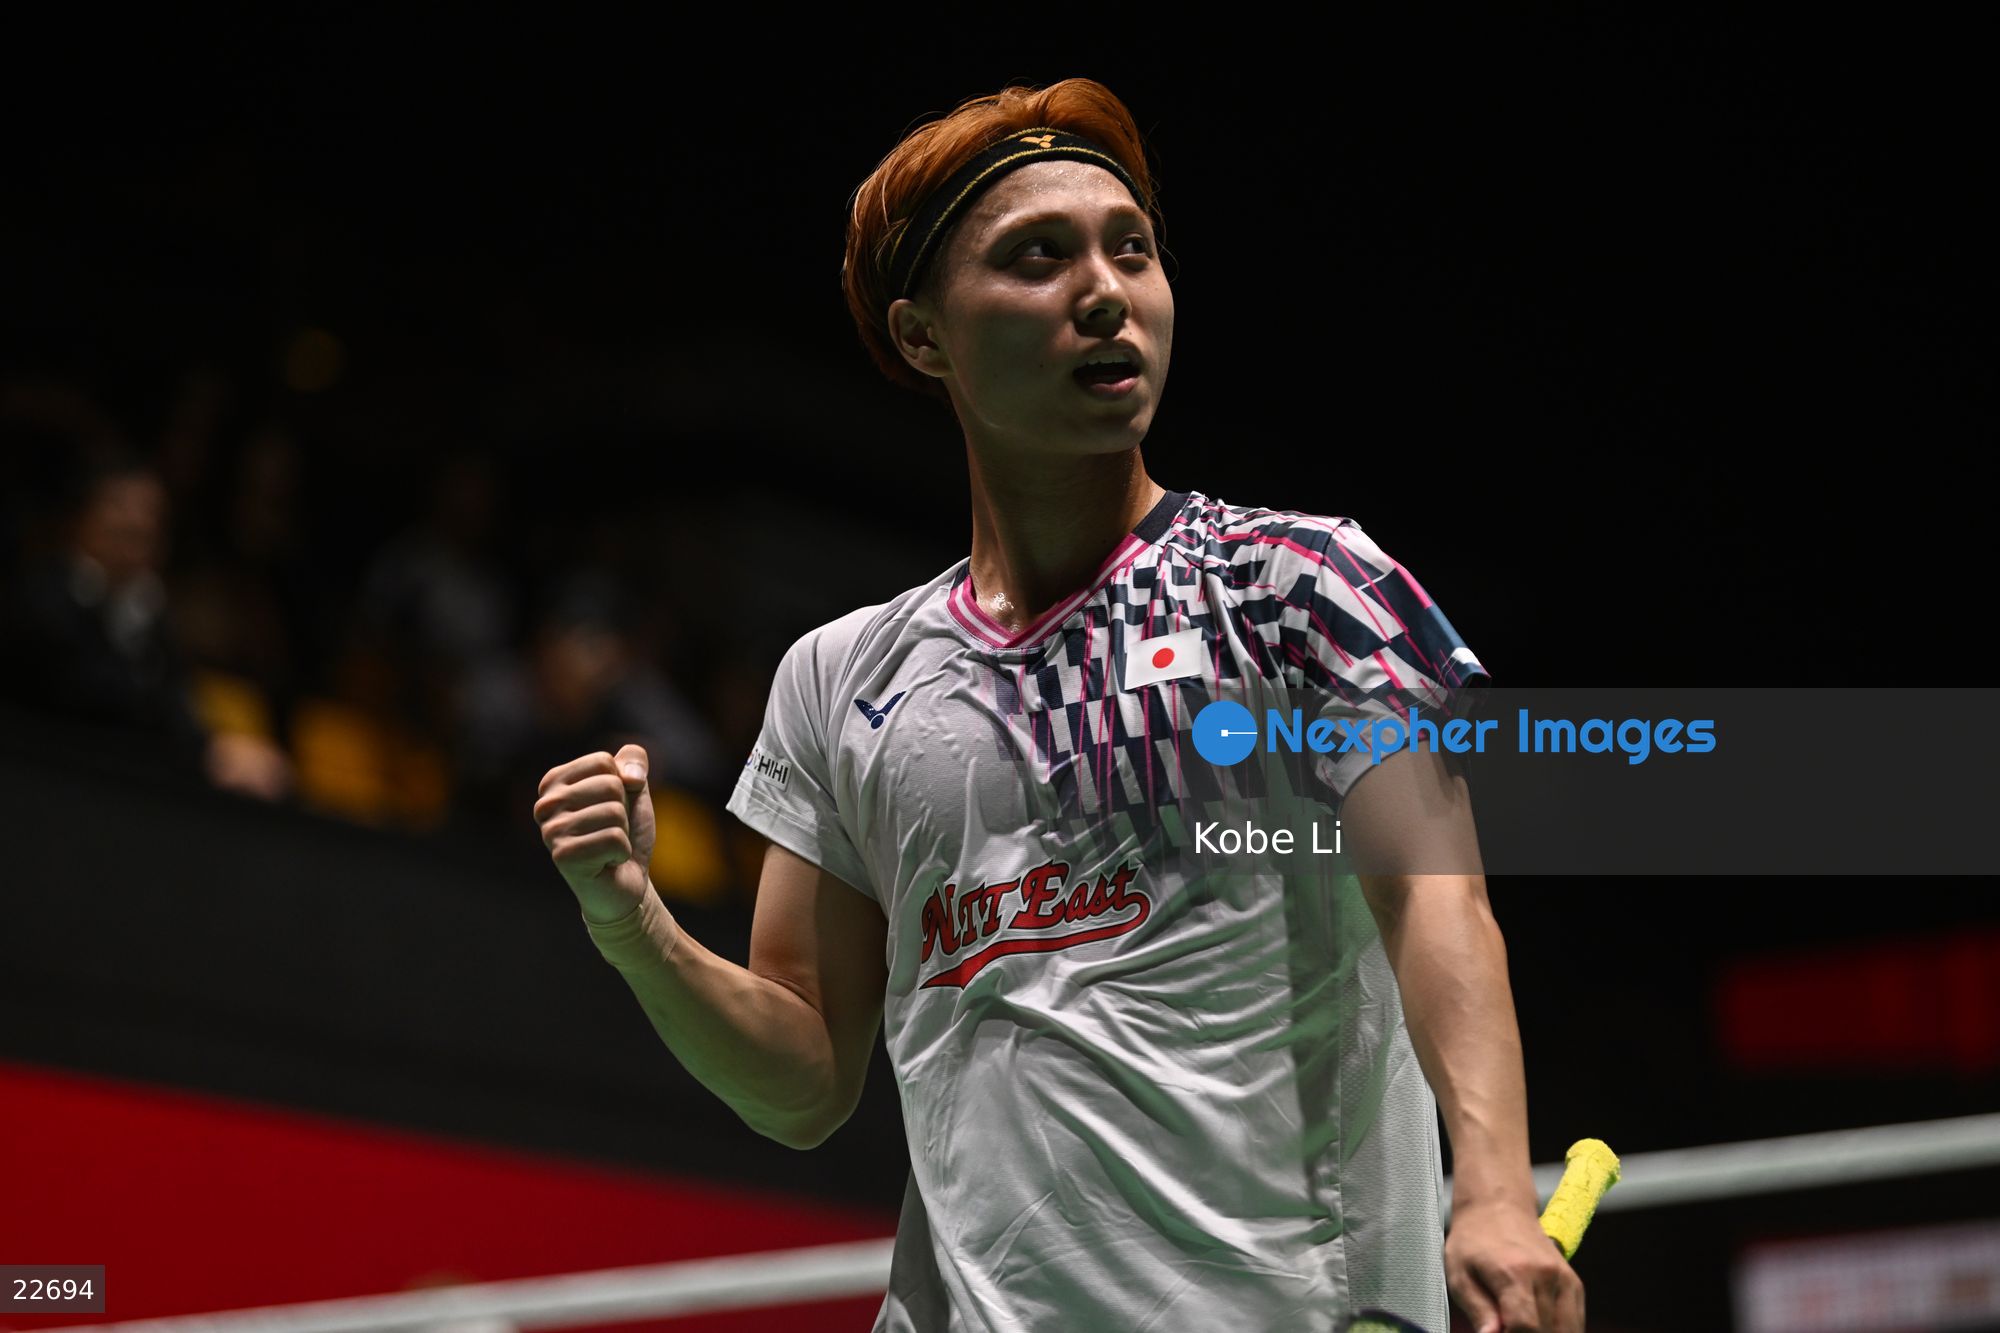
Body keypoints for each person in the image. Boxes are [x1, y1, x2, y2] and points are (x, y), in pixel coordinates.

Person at [534, 78, 1581, 1333]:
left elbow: (1434, 898)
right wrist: (631, 922)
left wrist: (1494, 1193)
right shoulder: (838, 678)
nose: (1105, 291)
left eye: (1130, 250)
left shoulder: (1300, 587)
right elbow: (803, 1079)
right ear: (924, 338)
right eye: (1040, 257)